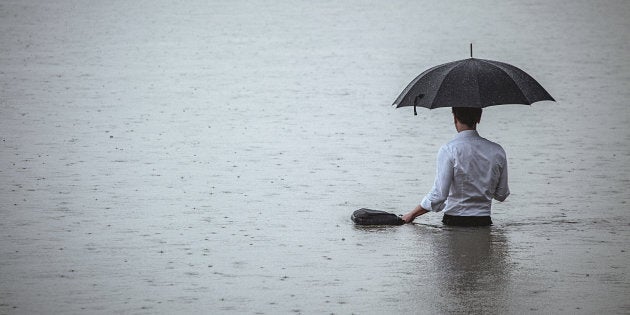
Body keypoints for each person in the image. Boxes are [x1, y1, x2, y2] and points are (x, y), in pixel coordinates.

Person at [401, 107, 509, 226]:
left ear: (454, 117)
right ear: (479, 118)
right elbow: (501, 195)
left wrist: (412, 214)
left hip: (455, 221)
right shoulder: (497, 151)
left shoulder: (449, 150)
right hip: (484, 222)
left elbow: (439, 196)